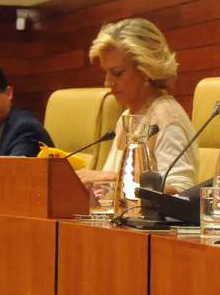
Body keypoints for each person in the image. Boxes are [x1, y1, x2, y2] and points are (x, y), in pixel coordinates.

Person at [75, 18, 197, 194]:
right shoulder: (128, 116)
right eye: (106, 72)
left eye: (117, 73)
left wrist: (108, 178)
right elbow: (113, 191)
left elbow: (183, 190)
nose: (107, 82)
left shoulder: (167, 117)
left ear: (146, 70)